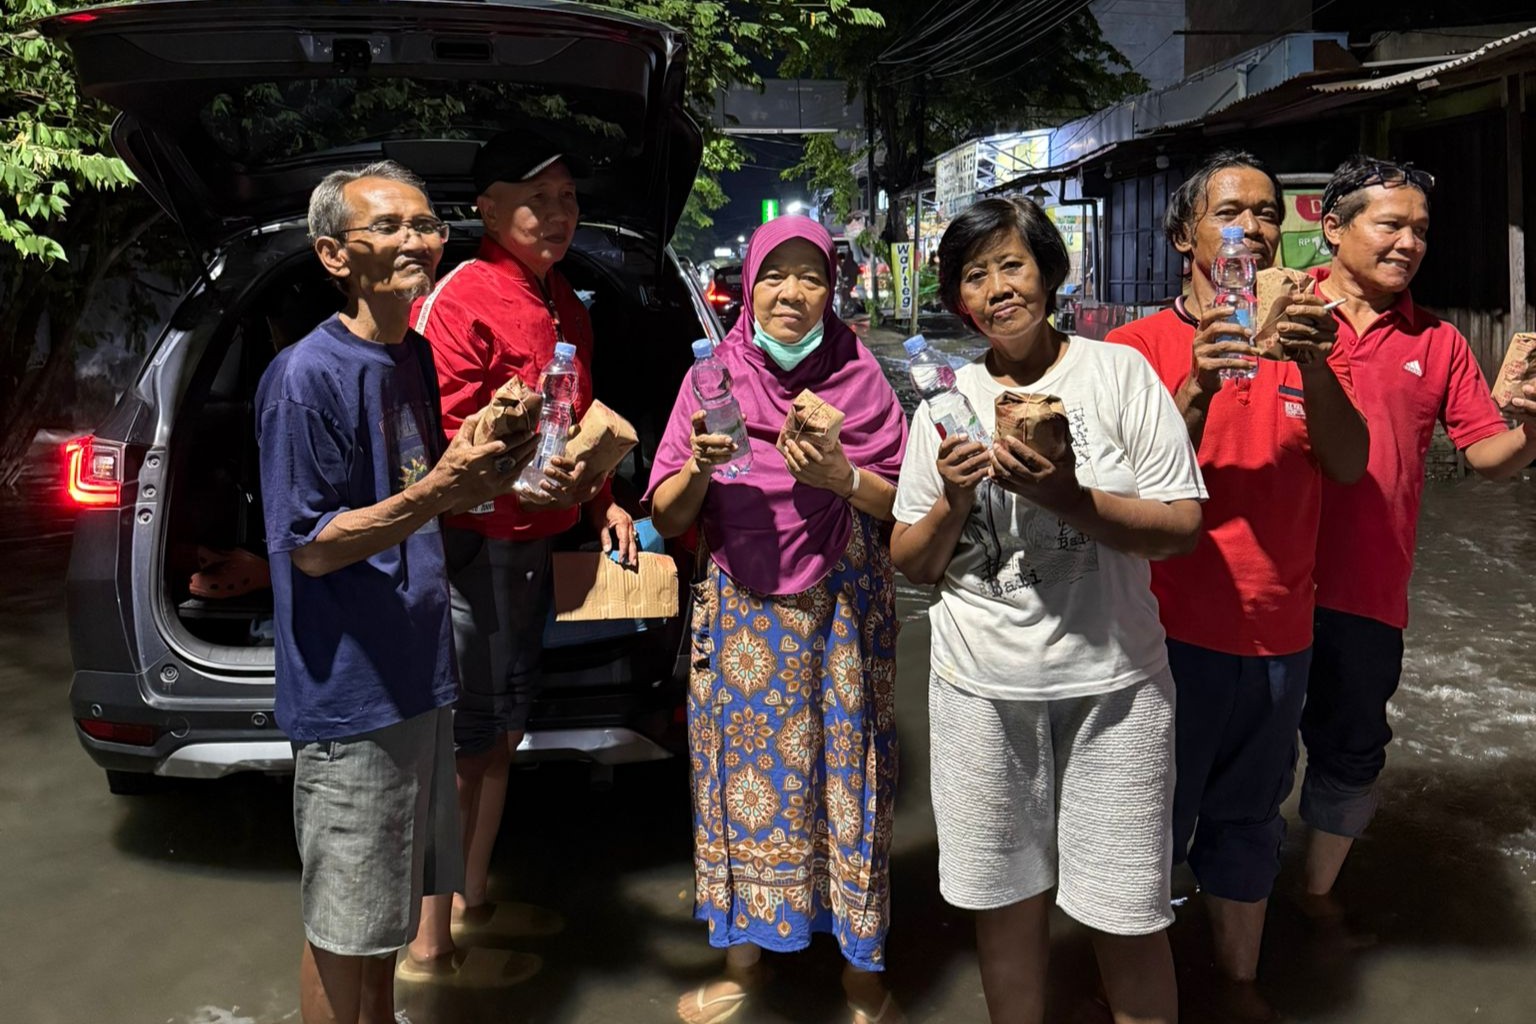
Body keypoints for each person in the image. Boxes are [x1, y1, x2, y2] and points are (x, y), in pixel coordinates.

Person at [893, 196, 1206, 1024]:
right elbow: (914, 563)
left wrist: (1069, 496)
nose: (997, 288)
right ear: (959, 300)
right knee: (1003, 907)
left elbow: (1179, 529)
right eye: (975, 274)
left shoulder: (1118, 375)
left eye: (1013, 264)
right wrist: (956, 498)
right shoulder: (944, 406)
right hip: (980, 690)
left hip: (1116, 687)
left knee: (1130, 913)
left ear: (1049, 273)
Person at [255, 161, 533, 1024]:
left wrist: (502, 454)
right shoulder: (307, 378)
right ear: (335, 254)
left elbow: (419, 482)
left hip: (420, 677)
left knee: (381, 926)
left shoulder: (408, 354)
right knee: (343, 930)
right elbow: (310, 549)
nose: (417, 239)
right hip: (352, 694)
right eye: (391, 226)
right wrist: (439, 491)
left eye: (426, 223)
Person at [1104, 151, 1368, 1020]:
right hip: (1161, 637)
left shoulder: (1310, 333)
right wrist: (1196, 388)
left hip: (1281, 635)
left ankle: (1239, 989)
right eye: (1229, 212)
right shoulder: (1133, 349)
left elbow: (1349, 462)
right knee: (1147, 827)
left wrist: (1318, 364)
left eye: (1265, 215)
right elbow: (1114, 495)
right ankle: (1143, 997)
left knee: (1252, 821)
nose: (1252, 229)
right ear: (1184, 235)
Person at [647, 215, 909, 1024]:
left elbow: (909, 504)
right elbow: (665, 510)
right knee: (742, 783)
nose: (792, 293)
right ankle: (744, 959)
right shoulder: (710, 382)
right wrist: (698, 464)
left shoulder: (861, 379)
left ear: (833, 290)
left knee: (849, 778)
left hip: (841, 611)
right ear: (749, 284)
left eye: (812, 277)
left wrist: (840, 476)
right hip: (742, 614)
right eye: (775, 276)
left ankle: (863, 970)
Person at [405, 132, 637, 977]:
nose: (558, 214)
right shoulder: (461, 296)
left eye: (569, 197)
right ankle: (428, 944)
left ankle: (474, 900)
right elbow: (435, 445)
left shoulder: (565, 304)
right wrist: (508, 492)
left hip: (536, 549)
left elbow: (578, 428)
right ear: (488, 210)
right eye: (537, 199)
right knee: (465, 743)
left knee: (503, 734)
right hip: (469, 548)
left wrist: (606, 503)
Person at [1298, 156, 1536, 920]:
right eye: (1391, 224)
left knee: (1353, 748)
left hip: (1369, 589)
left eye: (1422, 231)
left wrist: (1531, 421)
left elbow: (1489, 459)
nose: (1409, 243)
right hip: (1261, 584)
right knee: (1239, 745)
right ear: (1332, 229)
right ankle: (1227, 895)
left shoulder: (1437, 342)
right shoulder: (1278, 317)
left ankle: (1313, 895)